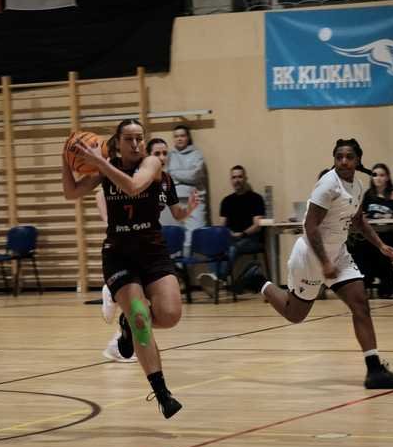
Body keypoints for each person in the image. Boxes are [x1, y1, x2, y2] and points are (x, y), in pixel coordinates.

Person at [238, 139, 393, 389]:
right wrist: (324, 262)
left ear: (357, 160)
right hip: (311, 256)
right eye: (339, 157)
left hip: (338, 254)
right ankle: (259, 281)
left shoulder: (358, 186)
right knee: (295, 315)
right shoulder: (328, 185)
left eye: (349, 157)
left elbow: (358, 221)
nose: (343, 161)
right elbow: (310, 227)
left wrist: (381, 245)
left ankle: (374, 370)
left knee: (360, 303)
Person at [63, 119, 184, 418]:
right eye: (129, 139)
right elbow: (71, 192)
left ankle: (127, 327)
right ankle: (162, 393)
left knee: (170, 316)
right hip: (119, 255)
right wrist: (66, 158)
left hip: (152, 251)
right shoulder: (105, 168)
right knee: (141, 315)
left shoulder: (151, 163)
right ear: (117, 143)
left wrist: (100, 164)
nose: (136, 144)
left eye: (139, 138)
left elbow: (132, 187)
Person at [96, 137, 198, 362]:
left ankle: (126, 325)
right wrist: (109, 222)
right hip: (124, 246)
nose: (162, 157)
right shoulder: (134, 176)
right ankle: (112, 291)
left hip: (150, 246)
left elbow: (177, 213)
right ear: (147, 156)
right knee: (139, 298)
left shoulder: (166, 181)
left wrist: (188, 209)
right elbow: (101, 194)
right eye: (157, 153)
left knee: (165, 312)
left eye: (165, 153)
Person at [198, 165, 266, 293]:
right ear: (231, 180)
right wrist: (229, 233)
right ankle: (216, 278)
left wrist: (242, 234)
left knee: (233, 248)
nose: (237, 180)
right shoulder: (227, 201)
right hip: (231, 238)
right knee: (215, 244)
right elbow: (222, 226)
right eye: (234, 177)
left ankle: (218, 279)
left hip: (251, 239)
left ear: (245, 178)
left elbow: (257, 225)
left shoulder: (256, 199)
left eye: (240, 177)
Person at [348, 163, 393, 298]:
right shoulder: (369, 194)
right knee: (359, 248)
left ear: (387, 177)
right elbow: (362, 214)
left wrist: (390, 216)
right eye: (375, 175)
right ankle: (365, 281)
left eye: (382, 175)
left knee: (380, 248)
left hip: (390, 233)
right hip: (372, 234)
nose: (378, 178)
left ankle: (387, 285)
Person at [166, 124, 208, 255]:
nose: (179, 139)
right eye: (176, 136)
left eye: (182, 136)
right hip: (174, 201)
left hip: (194, 201)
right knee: (174, 239)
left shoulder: (197, 154)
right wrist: (185, 175)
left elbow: (195, 176)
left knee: (195, 237)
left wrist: (174, 174)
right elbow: (166, 176)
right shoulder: (169, 155)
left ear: (188, 137)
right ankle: (178, 267)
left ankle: (191, 265)